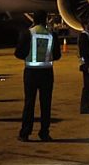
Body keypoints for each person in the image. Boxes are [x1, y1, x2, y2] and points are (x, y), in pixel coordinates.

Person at [15, 10, 61, 141]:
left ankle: (25, 133)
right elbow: (57, 55)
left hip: (31, 72)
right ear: (46, 19)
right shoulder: (52, 35)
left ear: (34, 20)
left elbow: (18, 53)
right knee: (46, 104)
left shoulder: (28, 33)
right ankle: (44, 132)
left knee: (29, 103)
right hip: (47, 72)